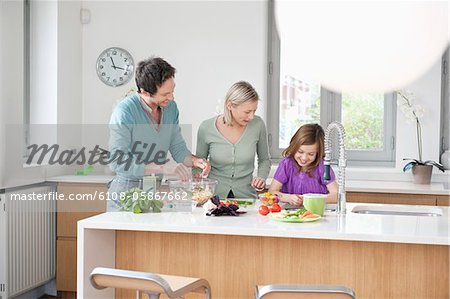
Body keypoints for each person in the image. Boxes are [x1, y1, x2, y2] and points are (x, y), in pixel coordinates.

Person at [107, 57, 207, 209]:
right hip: (126, 193)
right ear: (144, 92)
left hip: (152, 192)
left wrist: (195, 161)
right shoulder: (124, 112)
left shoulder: (171, 108)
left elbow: (177, 147)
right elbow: (118, 161)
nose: (171, 97)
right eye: (165, 94)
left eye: (172, 91)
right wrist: (163, 168)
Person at [196, 81, 271, 199]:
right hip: (214, 198)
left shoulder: (258, 125)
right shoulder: (206, 128)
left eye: (254, 111)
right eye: (247, 112)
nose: (251, 116)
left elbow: (264, 159)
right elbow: (198, 164)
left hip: (246, 198)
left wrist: (261, 177)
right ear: (230, 105)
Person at [268, 123, 338, 205]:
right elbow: (272, 192)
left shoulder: (323, 166)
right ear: (294, 147)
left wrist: (311, 199)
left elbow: (336, 195)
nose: (304, 158)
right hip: (289, 213)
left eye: (311, 154)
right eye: (300, 152)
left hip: (317, 211)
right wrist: (288, 198)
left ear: (318, 153)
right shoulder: (286, 164)